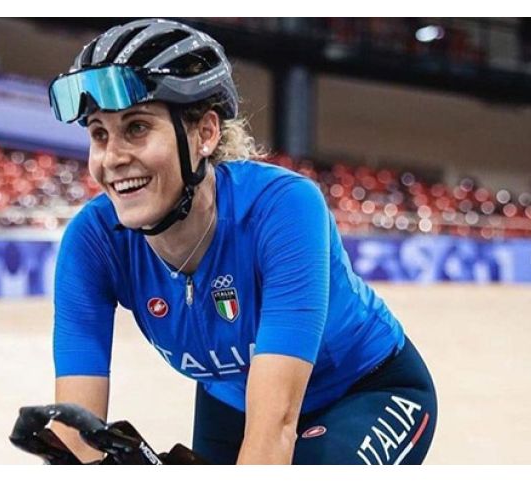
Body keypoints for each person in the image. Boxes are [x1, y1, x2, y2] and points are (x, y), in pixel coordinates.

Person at [49, 18, 437, 465]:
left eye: (136, 127)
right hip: (230, 401)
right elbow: (74, 438)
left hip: (366, 388)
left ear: (205, 134)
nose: (112, 158)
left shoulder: (285, 207)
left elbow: (276, 427)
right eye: (99, 134)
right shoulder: (92, 241)